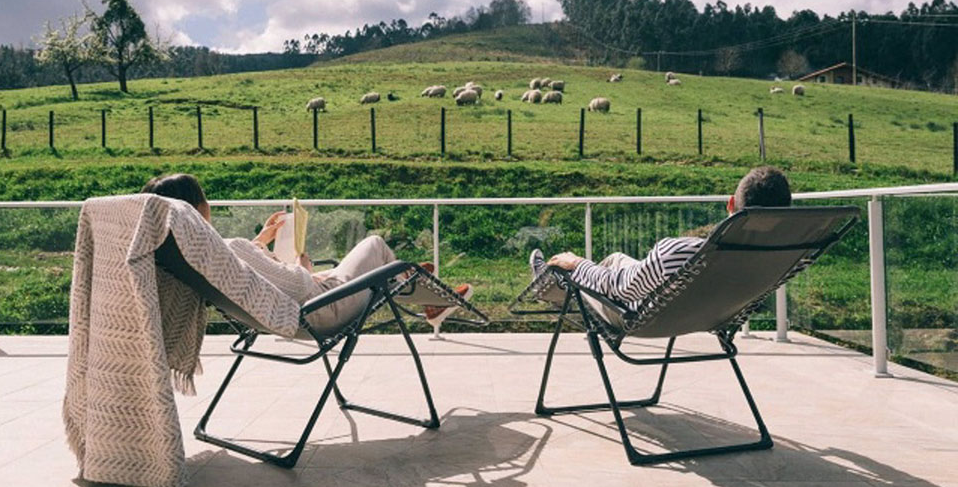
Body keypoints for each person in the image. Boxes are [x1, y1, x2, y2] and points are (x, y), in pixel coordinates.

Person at [141, 174, 471, 330]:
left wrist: (262, 240)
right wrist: (303, 265)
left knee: (375, 265)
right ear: (197, 208)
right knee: (375, 245)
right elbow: (298, 285)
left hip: (285, 317)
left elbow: (245, 277)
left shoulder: (188, 258)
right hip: (321, 310)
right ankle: (423, 294)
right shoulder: (229, 248)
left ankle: (411, 279)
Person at [530, 166, 792, 321]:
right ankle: (557, 286)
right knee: (615, 259)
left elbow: (620, 289)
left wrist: (577, 263)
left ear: (730, 204)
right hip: (707, 317)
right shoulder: (782, 258)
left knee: (584, 274)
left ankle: (553, 284)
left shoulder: (683, 253)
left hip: (639, 316)